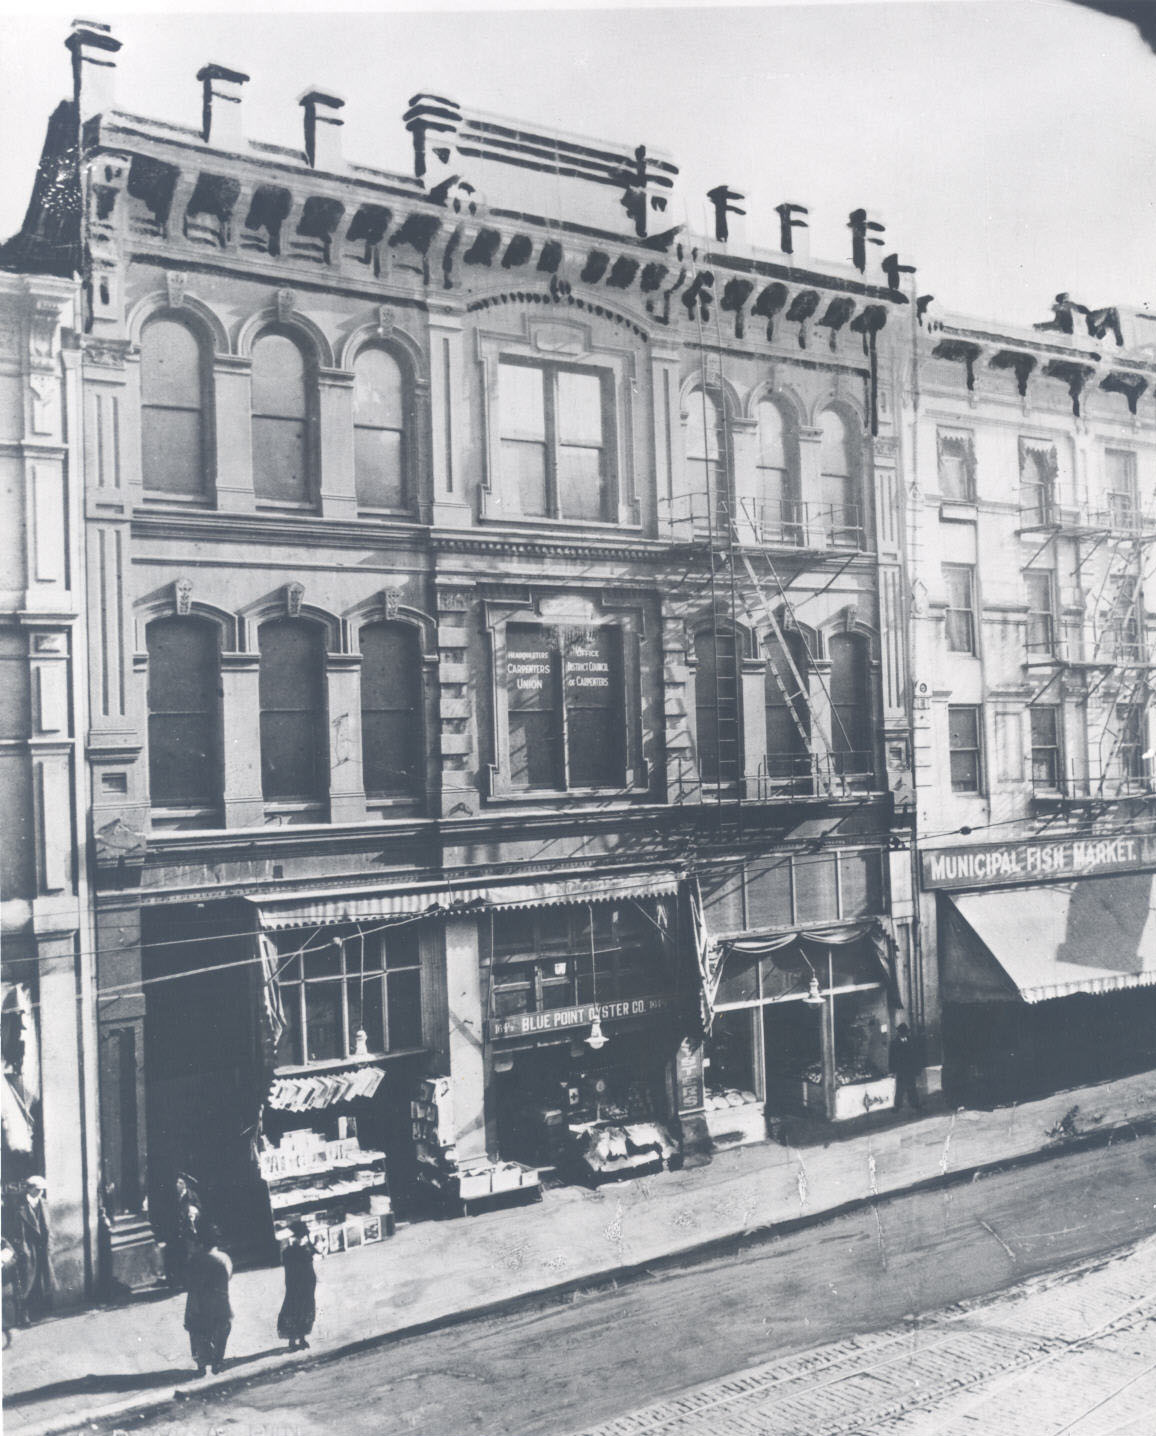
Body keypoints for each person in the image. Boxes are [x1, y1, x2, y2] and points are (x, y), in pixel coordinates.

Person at [183, 1225, 233, 1376]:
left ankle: (202, 1364)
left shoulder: (194, 1259)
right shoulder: (223, 1258)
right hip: (219, 1300)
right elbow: (228, 1276)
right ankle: (217, 1361)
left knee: (198, 1332)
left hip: (198, 1301)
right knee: (221, 1329)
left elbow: (188, 1280)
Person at [7, 1176, 53, 1323]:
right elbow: (15, 1231)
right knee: (26, 1281)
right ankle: (23, 1314)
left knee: (41, 1278)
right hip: (27, 1247)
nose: (41, 1192)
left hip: (42, 1247)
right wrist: (22, 1249)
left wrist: (49, 1244)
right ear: (30, 1188)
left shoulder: (43, 1203)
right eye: (38, 1189)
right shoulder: (18, 1205)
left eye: (42, 1190)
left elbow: (48, 1227)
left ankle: (38, 1311)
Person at [277, 1219, 319, 1351]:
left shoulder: (290, 1251)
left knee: (297, 1310)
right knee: (301, 1311)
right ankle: (298, 1339)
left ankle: (297, 1339)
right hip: (301, 1285)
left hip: (300, 1285)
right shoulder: (302, 1250)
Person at [168, 1173, 202, 1290]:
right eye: (177, 1183)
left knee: (189, 1255)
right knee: (178, 1256)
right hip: (177, 1231)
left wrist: (194, 1212)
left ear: (185, 1185)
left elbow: (199, 1208)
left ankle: (190, 1282)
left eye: (180, 1183)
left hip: (189, 1231)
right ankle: (180, 1281)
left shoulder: (192, 1196)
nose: (177, 1185)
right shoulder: (173, 1197)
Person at [889, 1022, 922, 1112]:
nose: (903, 1033)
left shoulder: (911, 1041)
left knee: (912, 1087)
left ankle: (915, 1104)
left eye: (904, 1031)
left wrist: (917, 1069)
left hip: (910, 1069)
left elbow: (915, 1056)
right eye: (901, 1031)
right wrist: (892, 1070)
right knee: (899, 1088)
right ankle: (897, 1106)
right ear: (899, 1032)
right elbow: (891, 1058)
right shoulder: (894, 1043)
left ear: (906, 1032)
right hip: (900, 1070)